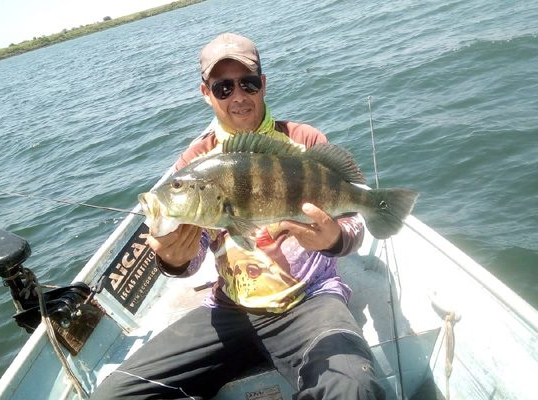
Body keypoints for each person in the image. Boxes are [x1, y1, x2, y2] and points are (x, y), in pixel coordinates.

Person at [92, 32, 387, 400]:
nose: (238, 96)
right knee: (114, 395)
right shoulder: (193, 163)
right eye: (223, 88)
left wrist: (334, 239)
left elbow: (354, 220)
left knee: (353, 386)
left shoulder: (303, 140)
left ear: (263, 85)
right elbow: (192, 257)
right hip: (230, 309)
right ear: (206, 93)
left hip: (310, 301)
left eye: (247, 83)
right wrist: (172, 257)